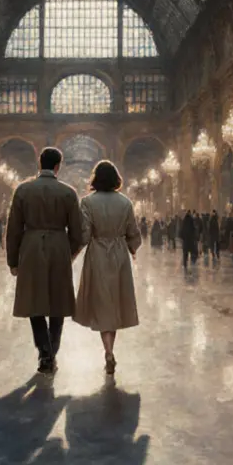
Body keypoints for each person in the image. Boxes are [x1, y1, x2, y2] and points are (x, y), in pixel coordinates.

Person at [7, 147, 84, 375]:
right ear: (59, 166)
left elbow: (13, 230)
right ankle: (52, 351)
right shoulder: (68, 193)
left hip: (31, 248)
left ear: (39, 164)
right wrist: (67, 252)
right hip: (59, 246)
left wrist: (13, 260)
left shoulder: (23, 190)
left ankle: (44, 352)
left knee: (34, 300)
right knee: (57, 302)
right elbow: (78, 234)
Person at [74, 161, 141, 376]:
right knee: (115, 303)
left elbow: (84, 235)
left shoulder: (87, 203)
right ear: (116, 180)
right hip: (119, 255)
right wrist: (132, 248)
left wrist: (73, 253)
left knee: (102, 303)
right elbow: (133, 233)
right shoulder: (125, 203)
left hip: (98, 255)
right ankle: (111, 350)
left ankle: (108, 351)